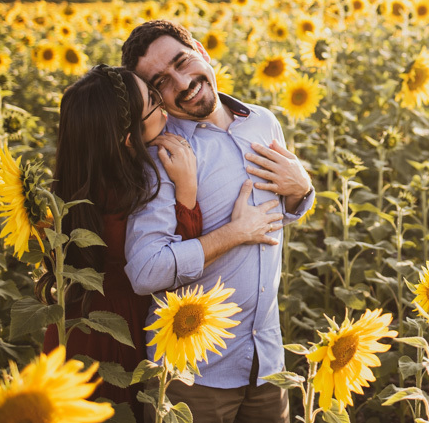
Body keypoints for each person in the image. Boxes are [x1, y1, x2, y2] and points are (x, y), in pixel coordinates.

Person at [40, 64, 284, 423]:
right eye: (154, 101)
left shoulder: (83, 176)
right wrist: (186, 193)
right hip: (116, 333)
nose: (167, 104)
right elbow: (162, 266)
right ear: (127, 137)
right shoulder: (133, 185)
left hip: (84, 322)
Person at [122, 20, 314, 423]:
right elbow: (145, 270)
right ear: (152, 97)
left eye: (182, 61)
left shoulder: (261, 122)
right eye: (161, 82)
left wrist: (300, 190)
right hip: (194, 374)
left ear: (202, 52)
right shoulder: (165, 157)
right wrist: (232, 234)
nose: (182, 82)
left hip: (266, 361)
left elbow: (273, 216)